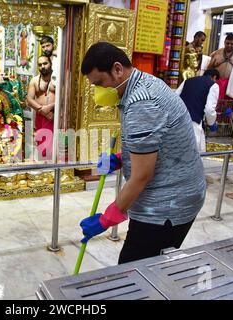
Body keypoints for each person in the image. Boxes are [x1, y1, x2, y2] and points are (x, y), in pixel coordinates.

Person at [79, 42, 206, 264]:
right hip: (177, 191)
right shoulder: (145, 83)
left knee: (134, 273)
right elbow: (156, 144)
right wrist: (121, 159)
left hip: (167, 206)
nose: (98, 91)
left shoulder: (141, 102)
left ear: (118, 69)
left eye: (100, 83)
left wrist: (107, 218)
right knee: (149, 266)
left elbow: (141, 176)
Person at [176, 69, 220, 152]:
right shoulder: (213, 85)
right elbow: (209, 109)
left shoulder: (187, 81)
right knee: (194, 153)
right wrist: (211, 123)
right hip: (194, 122)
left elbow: (175, 98)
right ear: (214, 77)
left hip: (178, 120)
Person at [27, 55, 55, 160]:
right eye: (40, 64)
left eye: (45, 63)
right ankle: (43, 169)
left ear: (50, 63)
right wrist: (43, 111)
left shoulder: (57, 79)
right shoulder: (34, 80)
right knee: (41, 144)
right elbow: (29, 100)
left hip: (54, 116)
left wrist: (50, 107)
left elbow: (64, 97)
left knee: (52, 146)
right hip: (41, 116)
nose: (43, 66)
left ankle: (52, 169)